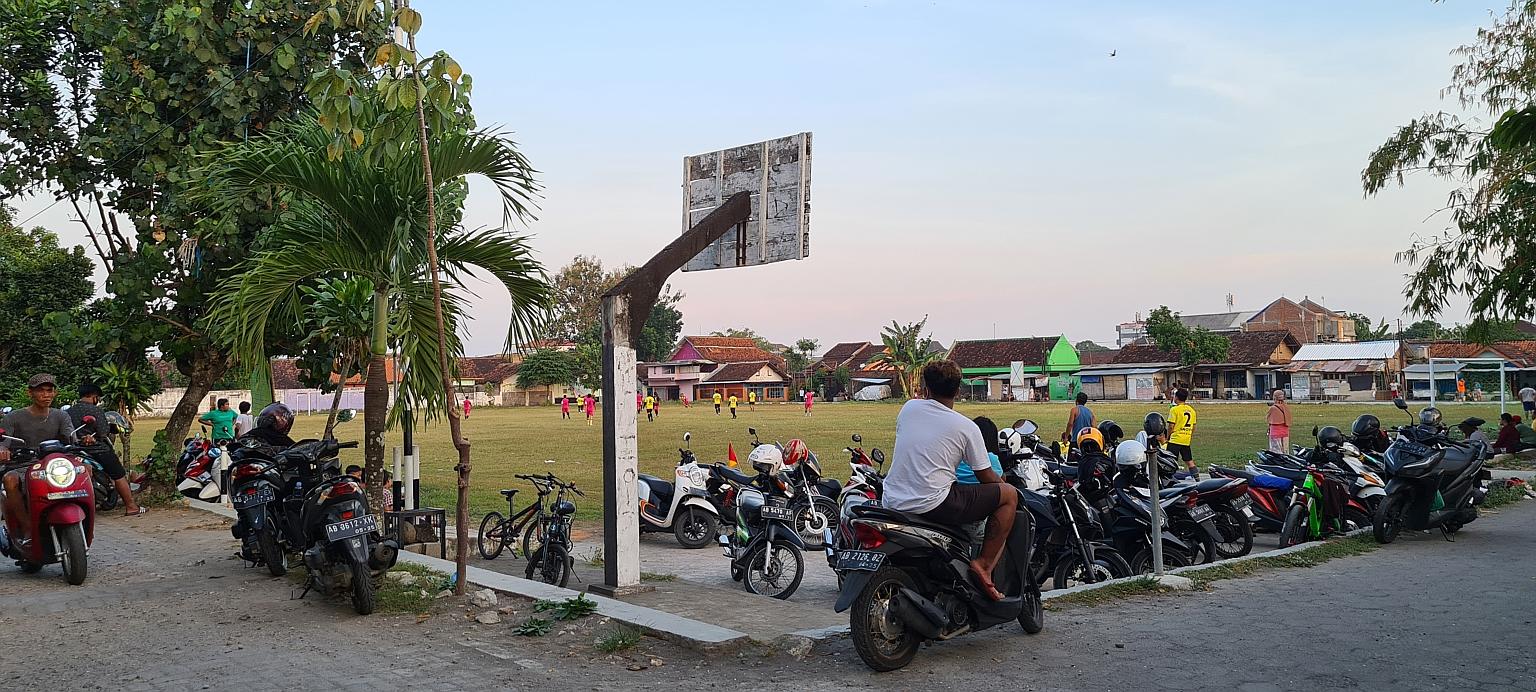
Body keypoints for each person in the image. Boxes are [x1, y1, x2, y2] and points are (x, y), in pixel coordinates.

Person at [882, 360, 1017, 601]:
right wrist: (1003, 484)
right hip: (934, 504)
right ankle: (984, 565)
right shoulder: (966, 427)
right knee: (1009, 495)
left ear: (926, 388)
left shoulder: (909, 409)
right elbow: (985, 476)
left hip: (892, 500)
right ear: (957, 391)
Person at [1, 375, 83, 546]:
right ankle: (27, 527)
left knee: (86, 469)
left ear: (55, 393)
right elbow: (4, 443)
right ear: (30, 392)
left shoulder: (61, 416)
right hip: (24, 465)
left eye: (49, 391)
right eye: (41, 391)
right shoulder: (14, 417)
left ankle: (84, 519)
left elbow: (71, 437)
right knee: (9, 480)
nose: (46, 395)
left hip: (55, 464)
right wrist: (3, 450)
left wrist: (84, 440)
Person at [71, 383, 147, 517]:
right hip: (97, 449)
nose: (98, 400)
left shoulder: (67, 412)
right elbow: (103, 432)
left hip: (74, 451)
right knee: (118, 474)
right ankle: (131, 506)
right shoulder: (96, 411)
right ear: (93, 396)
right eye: (97, 397)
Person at [955, 417, 1004, 485]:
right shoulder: (992, 458)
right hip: (985, 494)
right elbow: (1001, 480)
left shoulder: (957, 458)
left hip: (958, 492)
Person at [1167, 389, 1198, 479]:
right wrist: (1189, 436)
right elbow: (1193, 426)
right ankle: (1197, 479)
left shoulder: (1174, 409)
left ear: (1176, 397)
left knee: (1170, 461)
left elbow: (1171, 426)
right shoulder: (1191, 410)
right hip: (1186, 439)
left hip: (1175, 439)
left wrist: (1168, 437)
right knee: (1189, 461)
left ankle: (1170, 479)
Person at [1266, 389, 1293, 453]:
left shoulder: (1273, 408)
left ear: (1274, 397)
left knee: (1276, 452)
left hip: (1275, 432)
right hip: (1285, 432)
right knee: (1285, 452)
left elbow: (1269, 419)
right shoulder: (1286, 407)